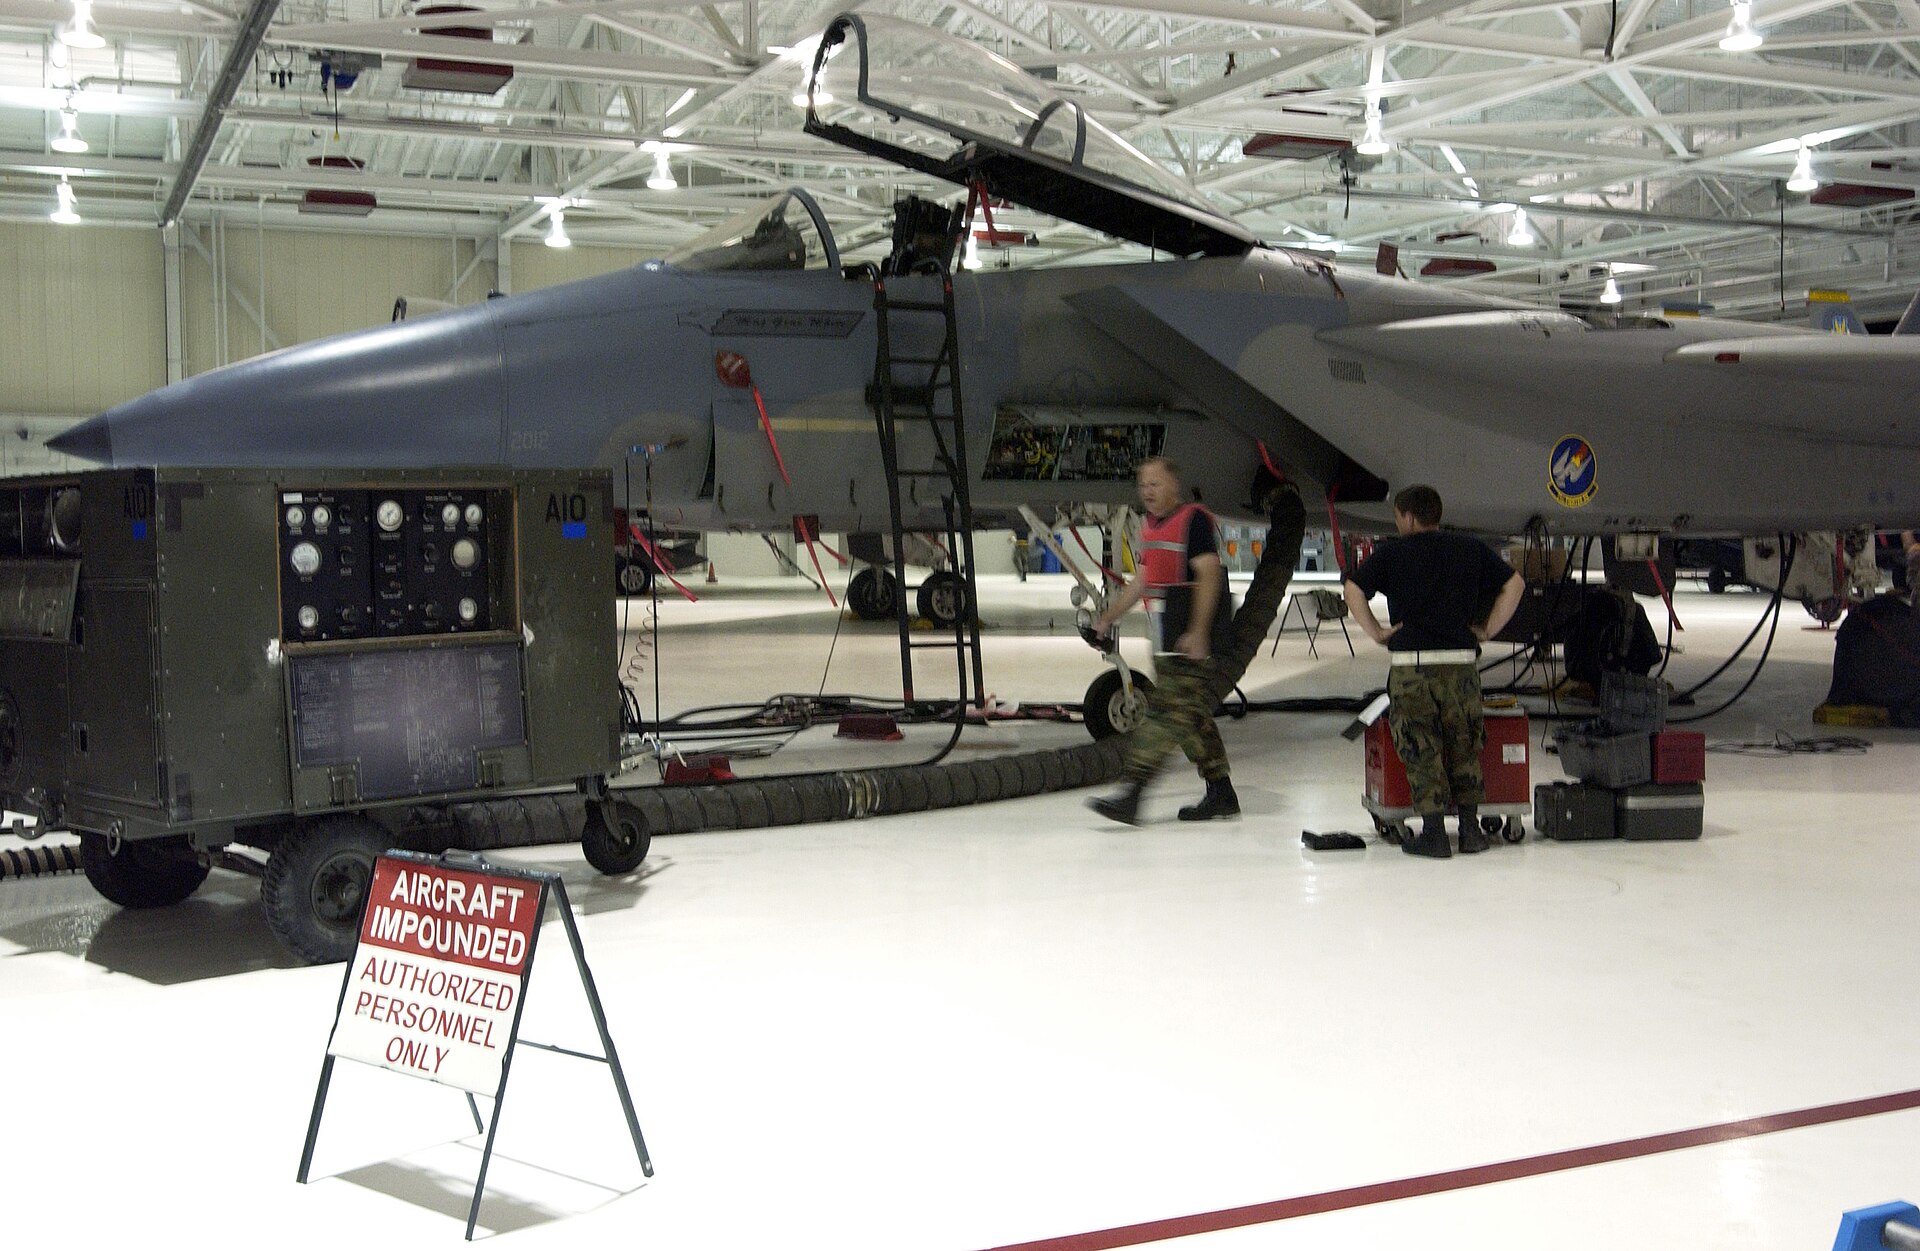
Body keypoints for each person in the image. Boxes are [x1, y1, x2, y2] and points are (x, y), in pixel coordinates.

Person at [1342, 485, 1526, 858]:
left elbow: (1352, 589)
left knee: (1420, 745)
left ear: (1408, 517)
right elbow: (1515, 584)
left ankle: (1434, 834)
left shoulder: (1392, 553)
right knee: (1465, 744)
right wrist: (1488, 629)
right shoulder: (1469, 549)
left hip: (1414, 667)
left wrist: (1378, 633)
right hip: (1461, 665)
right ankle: (1472, 831)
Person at [1086, 456, 1238, 825]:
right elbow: (1142, 581)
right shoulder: (1151, 527)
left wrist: (1200, 631)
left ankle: (1132, 794)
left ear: (1174, 486)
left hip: (1190, 638)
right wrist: (1108, 617)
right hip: (1168, 637)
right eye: (1142, 485)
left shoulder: (1194, 521)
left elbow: (1209, 575)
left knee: (1163, 715)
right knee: (1192, 718)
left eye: (1155, 484)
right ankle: (1221, 792)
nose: (1147, 492)